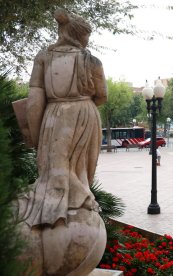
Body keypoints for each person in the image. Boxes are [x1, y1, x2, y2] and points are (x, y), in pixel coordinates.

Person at [17, 8, 107, 275]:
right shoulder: (92, 60)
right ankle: (73, 209)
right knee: (79, 173)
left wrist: (34, 134)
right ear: (80, 35)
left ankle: (50, 213)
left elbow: (35, 100)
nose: (88, 42)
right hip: (84, 115)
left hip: (54, 116)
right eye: (87, 36)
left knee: (52, 171)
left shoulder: (44, 56)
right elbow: (101, 95)